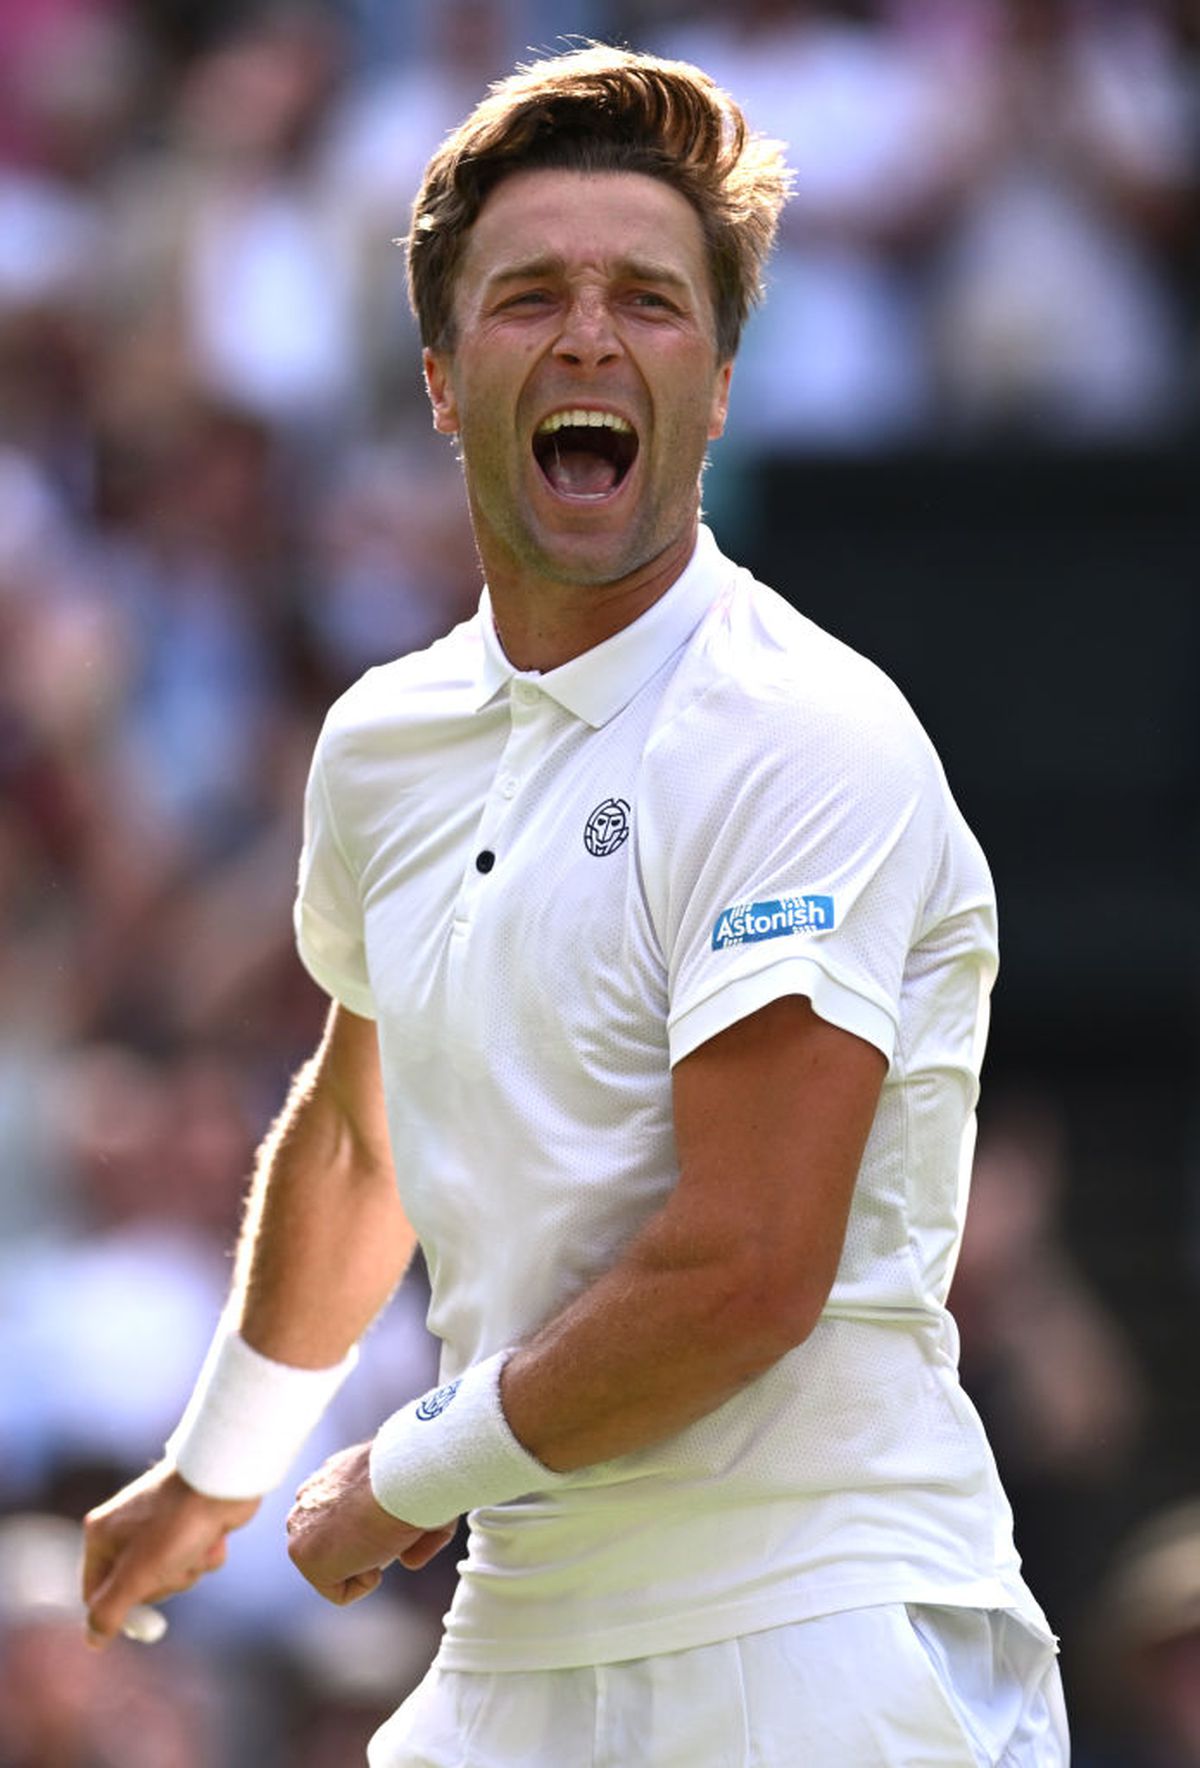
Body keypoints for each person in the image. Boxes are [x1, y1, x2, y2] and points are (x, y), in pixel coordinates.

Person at [81, 43, 1070, 1766]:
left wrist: (398, 1476)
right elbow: (359, 1139)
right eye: (530, 294)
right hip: (518, 1649)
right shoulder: (383, 743)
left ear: (722, 379)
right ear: (447, 379)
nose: (592, 335)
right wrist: (218, 1468)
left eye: (651, 300)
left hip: (820, 1638)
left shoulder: (803, 736)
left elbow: (751, 1265)